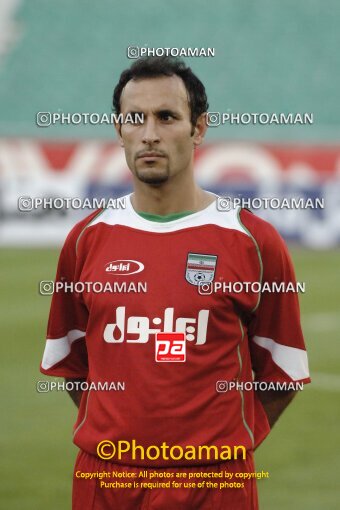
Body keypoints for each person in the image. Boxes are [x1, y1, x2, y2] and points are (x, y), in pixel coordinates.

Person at [40, 56, 310, 510]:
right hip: (106, 479)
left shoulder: (253, 241)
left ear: (198, 128)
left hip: (215, 481)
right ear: (118, 130)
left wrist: (219, 449)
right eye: (135, 118)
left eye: (166, 117)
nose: (149, 133)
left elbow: (281, 373)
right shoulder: (86, 239)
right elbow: (72, 364)